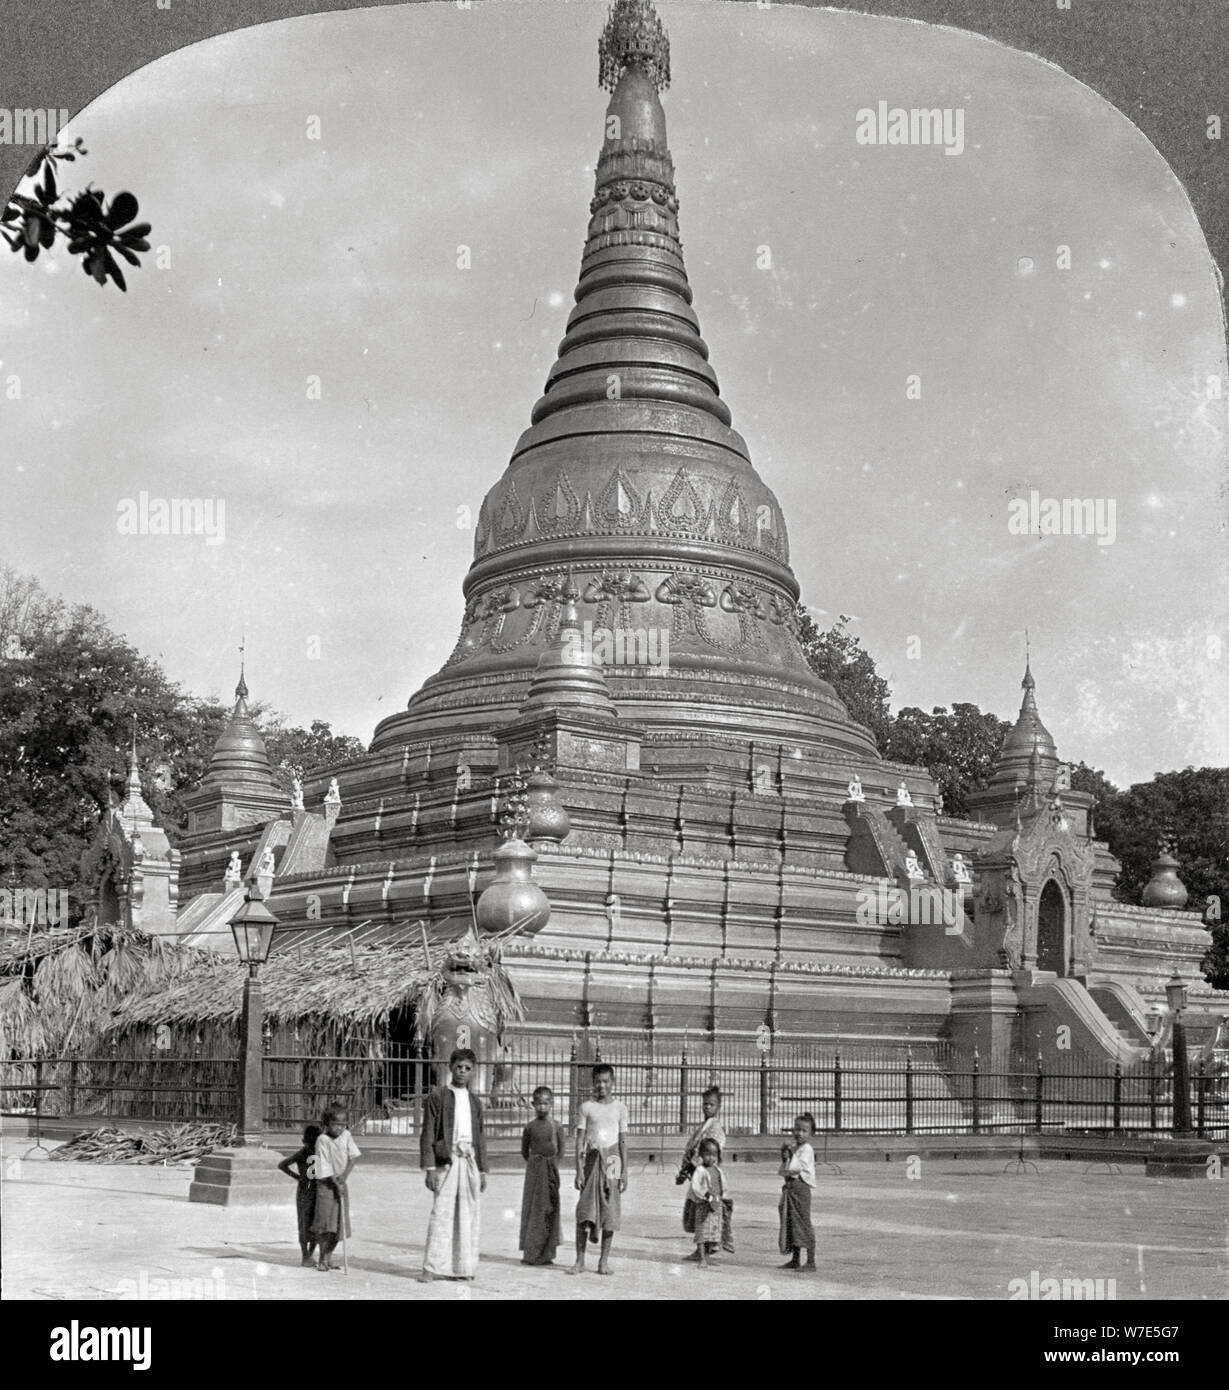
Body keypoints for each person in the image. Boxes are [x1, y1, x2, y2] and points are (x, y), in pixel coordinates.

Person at [418, 1048, 488, 1282]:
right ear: (450, 1067)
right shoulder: (438, 1097)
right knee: (442, 1214)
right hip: (446, 1162)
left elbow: (480, 1136)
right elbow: (428, 1132)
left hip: (469, 1162)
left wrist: (482, 1169)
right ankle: (431, 1268)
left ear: (473, 1072)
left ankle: (462, 1268)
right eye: (459, 1067)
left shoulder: (475, 1102)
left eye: (468, 1068)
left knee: (468, 1216)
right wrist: (429, 1168)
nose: (462, 1072)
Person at [570, 1063, 628, 1276]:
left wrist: (624, 1173)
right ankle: (580, 1260)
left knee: (610, 1213)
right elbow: (579, 1141)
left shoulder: (620, 1108)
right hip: (592, 1159)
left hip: (613, 1160)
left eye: (606, 1081)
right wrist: (578, 1170)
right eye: (598, 1082)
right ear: (592, 1083)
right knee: (585, 1212)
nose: (601, 1086)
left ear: (613, 1083)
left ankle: (603, 1261)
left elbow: (622, 1142)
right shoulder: (586, 1107)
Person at [678, 1085, 731, 1259]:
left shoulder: (716, 1128)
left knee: (705, 1212)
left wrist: (692, 1166)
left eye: (711, 1105)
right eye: (705, 1104)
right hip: (698, 1173)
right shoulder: (704, 1126)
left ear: (718, 1107)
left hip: (707, 1175)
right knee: (697, 1210)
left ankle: (706, 1249)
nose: (707, 1107)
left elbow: (710, 1152)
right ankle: (704, 1248)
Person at [519, 1085, 566, 1266]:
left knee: (549, 1209)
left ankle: (547, 1253)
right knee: (532, 1210)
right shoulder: (529, 1127)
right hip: (534, 1172)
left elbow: (561, 1151)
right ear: (532, 1104)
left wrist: (551, 1165)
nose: (542, 1107)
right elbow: (524, 1151)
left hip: (551, 1171)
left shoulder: (557, 1126)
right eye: (538, 1104)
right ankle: (531, 1253)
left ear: (552, 1104)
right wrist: (535, 1164)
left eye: (546, 1103)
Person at [311, 1106, 360, 1272]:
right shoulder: (322, 1140)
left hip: (340, 1182)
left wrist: (344, 1177)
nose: (339, 1128)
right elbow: (324, 1165)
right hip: (326, 1185)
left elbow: (353, 1158)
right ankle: (322, 1258)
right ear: (327, 1123)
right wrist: (335, 1182)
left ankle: (330, 1256)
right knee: (326, 1223)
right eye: (335, 1124)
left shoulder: (346, 1135)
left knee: (339, 1223)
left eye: (343, 1124)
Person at [277, 1121, 322, 1267]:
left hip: (316, 1191)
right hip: (305, 1192)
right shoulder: (302, 1153)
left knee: (315, 1223)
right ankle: (305, 1255)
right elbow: (282, 1165)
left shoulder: (319, 1153)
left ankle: (310, 1254)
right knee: (304, 1223)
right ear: (305, 1141)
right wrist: (298, 1177)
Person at [778, 1112, 818, 1273]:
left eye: (804, 1131)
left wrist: (790, 1155)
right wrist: (785, 1155)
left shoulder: (806, 1149)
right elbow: (785, 1168)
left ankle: (811, 1260)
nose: (799, 1133)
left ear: (810, 1133)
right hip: (791, 1188)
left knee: (803, 1222)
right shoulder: (796, 1148)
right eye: (797, 1129)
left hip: (801, 1189)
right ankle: (795, 1259)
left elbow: (795, 1167)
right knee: (792, 1221)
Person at [688, 1138, 728, 1268]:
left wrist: (723, 1196)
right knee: (702, 1232)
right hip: (704, 1205)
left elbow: (723, 1185)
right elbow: (695, 1187)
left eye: (714, 1155)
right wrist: (705, 1194)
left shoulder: (717, 1170)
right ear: (701, 1155)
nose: (711, 1158)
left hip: (716, 1206)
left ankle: (708, 1256)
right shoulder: (700, 1170)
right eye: (707, 1154)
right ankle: (701, 1258)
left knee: (713, 1232)